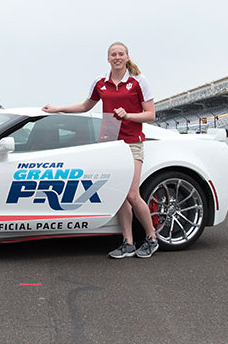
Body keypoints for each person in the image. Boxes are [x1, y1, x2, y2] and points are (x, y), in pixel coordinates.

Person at [42, 41, 159, 258]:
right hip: (109, 144)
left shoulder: (139, 81)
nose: (117, 57)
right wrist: (58, 108)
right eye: (113, 54)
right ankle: (128, 242)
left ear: (127, 57)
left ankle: (152, 237)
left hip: (132, 143)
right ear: (108, 58)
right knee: (120, 197)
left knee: (133, 195)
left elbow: (151, 114)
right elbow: (85, 106)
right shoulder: (100, 81)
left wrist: (129, 115)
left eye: (121, 54)